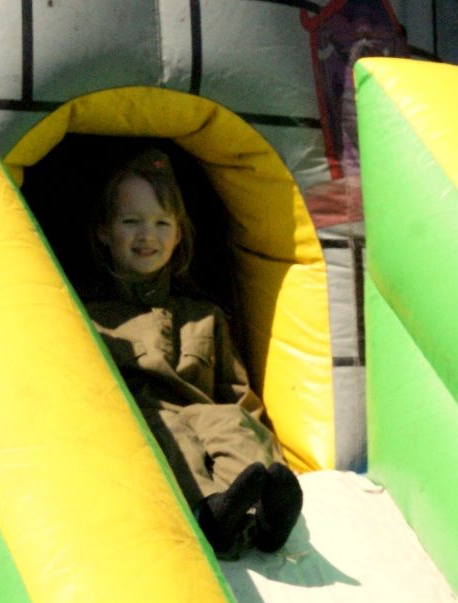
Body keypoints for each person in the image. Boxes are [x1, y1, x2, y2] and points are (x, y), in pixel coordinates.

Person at [83, 147, 302, 558]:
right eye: (131, 222)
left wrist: (257, 433)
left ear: (179, 235)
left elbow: (236, 392)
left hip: (204, 414)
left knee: (231, 421)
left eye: (162, 223)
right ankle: (209, 515)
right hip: (146, 424)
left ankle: (263, 519)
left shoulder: (203, 315)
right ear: (104, 232)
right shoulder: (89, 316)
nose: (147, 235)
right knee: (170, 429)